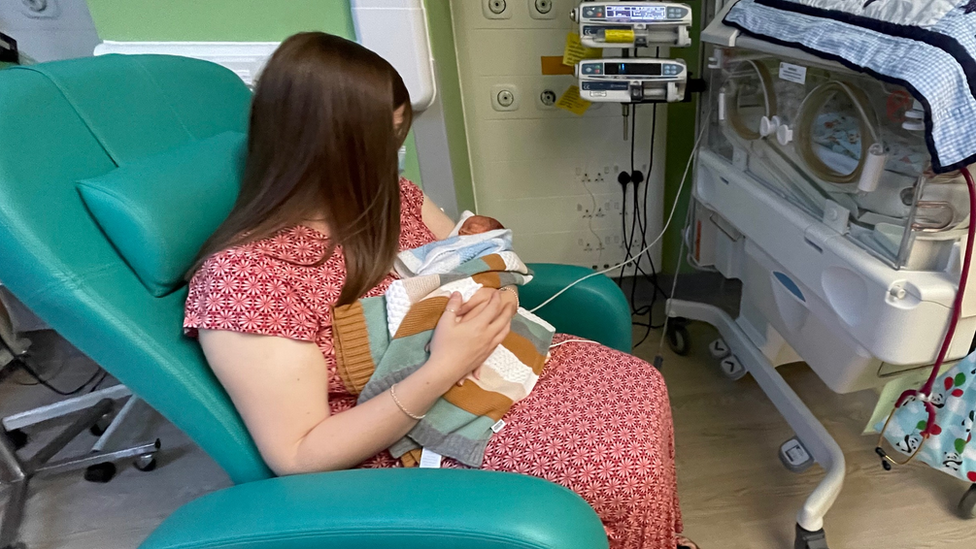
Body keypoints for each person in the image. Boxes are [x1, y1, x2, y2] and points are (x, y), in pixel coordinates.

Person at [183, 32, 691, 549]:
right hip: (401, 434)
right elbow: (299, 455)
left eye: (398, 137)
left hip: (489, 370)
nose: (395, 158)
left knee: (638, 386)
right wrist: (446, 365)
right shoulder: (248, 279)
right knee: (619, 463)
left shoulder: (388, 200)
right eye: (383, 142)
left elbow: (468, 260)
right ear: (322, 146)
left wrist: (498, 287)